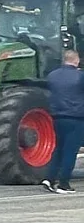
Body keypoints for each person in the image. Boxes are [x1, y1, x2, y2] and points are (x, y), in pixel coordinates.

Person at [41, 49, 84, 194]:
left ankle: (49, 178)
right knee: (70, 152)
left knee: (58, 149)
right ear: (76, 60)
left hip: (57, 117)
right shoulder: (80, 76)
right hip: (76, 118)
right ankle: (64, 184)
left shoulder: (52, 76)